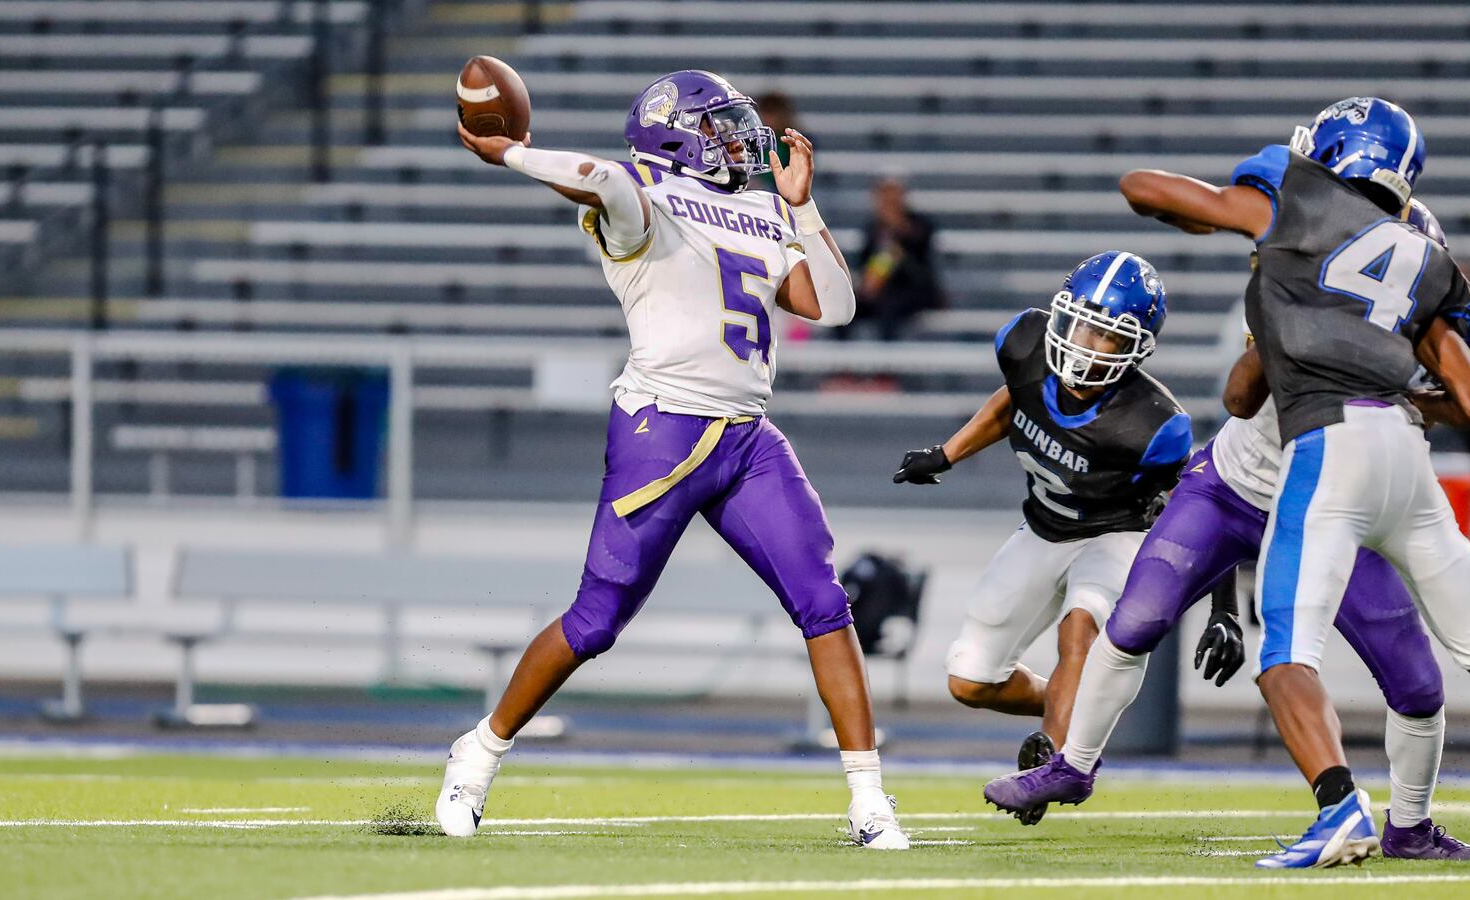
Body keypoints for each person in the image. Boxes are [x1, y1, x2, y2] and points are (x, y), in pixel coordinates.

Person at [443, 69, 910, 850]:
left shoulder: (759, 206)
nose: (737, 140)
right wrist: (516, 155)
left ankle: (869, 800)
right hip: (661, 427)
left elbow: (833, 305)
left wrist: (801, 203)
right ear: (675, 135)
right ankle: (478, 753)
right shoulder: (643, 197)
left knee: (825, 602)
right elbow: (599, 179)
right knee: (596, 622)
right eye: (718, 126)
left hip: (748, 436)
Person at [983, 199, 1470, 862]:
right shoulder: (1297, 298)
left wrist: (1409, 393)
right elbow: (1240, 395)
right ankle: (1074, 763)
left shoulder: (1431, 335)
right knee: (1135, 620)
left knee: (1416, 683)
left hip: (1331, 514)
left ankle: (1411, 826)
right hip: (1233, 488)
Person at [1101, 97, 1470, 869]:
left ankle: (1341, 813)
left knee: (1284, 652)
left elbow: (1143, 187)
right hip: (1405, 456)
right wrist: (1409, 386)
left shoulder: (1300, 203)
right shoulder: (1426, 255)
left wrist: (1250, 231)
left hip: (1328, 444)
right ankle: (1406, 826)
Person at [893, 251, 1191, 825]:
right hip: (1042, 528)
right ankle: (1073, 703)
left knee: (1078, 628)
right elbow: (1016, 398)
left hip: (1116, 535)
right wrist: (947, 453)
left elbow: (1200, 507)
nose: (1086, 344)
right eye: (1081, 324)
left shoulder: (1153, 425)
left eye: (1107, 337)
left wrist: (1221, 604)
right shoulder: (1026, 344)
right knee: (969, 681)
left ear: (1136, 349)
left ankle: (1054, 762)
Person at [842, 176, 942, 341]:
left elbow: (923, 267)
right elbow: (864, 263)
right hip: (879, 291)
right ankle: (843, 363)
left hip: (913, 290)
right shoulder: (872, 229)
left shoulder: (920, 225)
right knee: (845, 307)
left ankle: (887, 365)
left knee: (888, 308)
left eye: (892, 194)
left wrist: (897, 230)